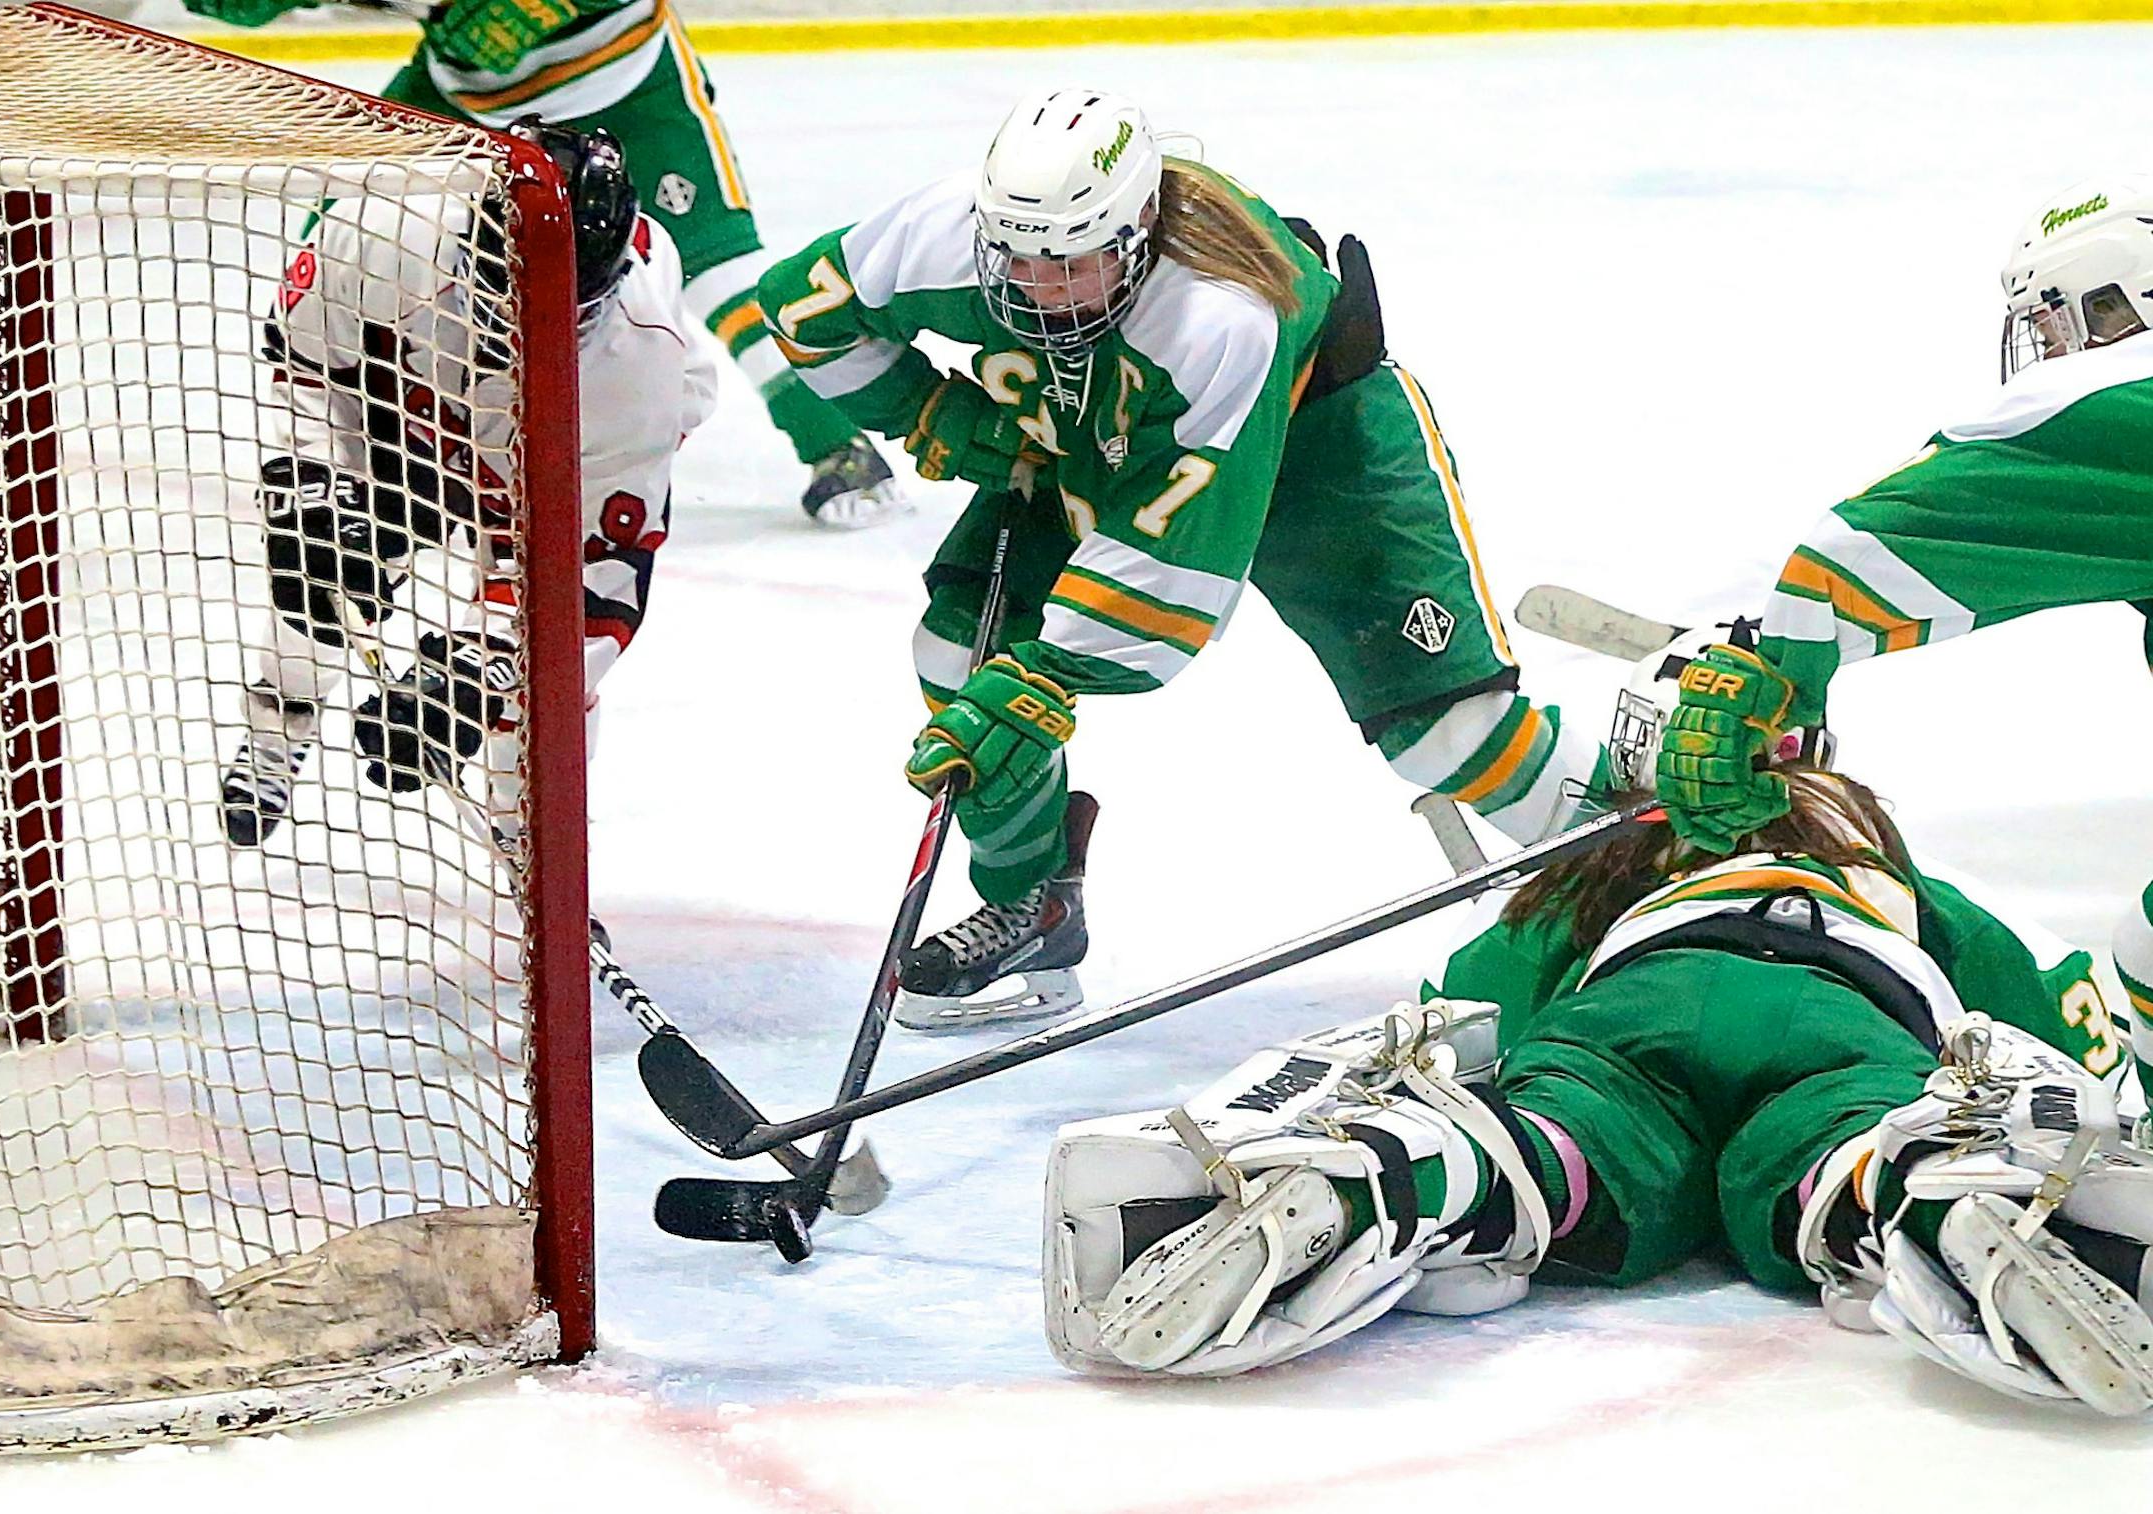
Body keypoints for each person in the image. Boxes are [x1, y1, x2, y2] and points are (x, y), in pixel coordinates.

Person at [1044, 642, 2153, 1414]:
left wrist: (1485, 1090)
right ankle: (1932, 1195)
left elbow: (1469, 1014)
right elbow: (2046, 1011)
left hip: (1638, 996)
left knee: (1549, 1139)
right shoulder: (1879, 856)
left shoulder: (1594, 867)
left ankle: (1403, 1176)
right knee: (1846, 1143)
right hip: (1843, 997)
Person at [756, 87, 1611, 1029]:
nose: (1037, 286)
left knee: (1450, 731)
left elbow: (1178, 568)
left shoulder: (1217, 316)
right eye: (1019, 258)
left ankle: (1667, 869)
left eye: (1071, 263)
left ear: (1134, 234)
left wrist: (1048, 676)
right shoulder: (952, 231)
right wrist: (930, 410)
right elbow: (804, 304)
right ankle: (1035, 905)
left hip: (1314, 446)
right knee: (961, 664)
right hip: (1099, 434)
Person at [1653, 177, 2153, 1089]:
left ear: (2123, 298)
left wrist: (1755, 675)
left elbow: (1834, 566)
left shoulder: (2119, 400)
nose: (2050, 355)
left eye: (2053, 327)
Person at [180, 0, 902, 527]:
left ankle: (837, 443)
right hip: (466, 90)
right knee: (347, 229)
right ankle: (337, 456)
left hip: (627, 80)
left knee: (716, 271)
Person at [220, 119, 718, 848]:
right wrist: (312, 480)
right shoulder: (386, 221)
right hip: (403, 408)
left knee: (548, 696)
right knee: (322, 576)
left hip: (557, 457)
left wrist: (473, 679)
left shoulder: (639, 378)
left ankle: (542, 859)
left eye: (563, 310)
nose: (527, 329)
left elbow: (588, 587)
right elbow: (304, 364)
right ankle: (275, 734)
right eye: (504, 295)